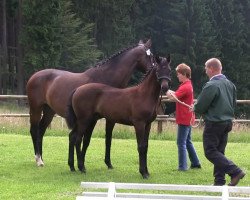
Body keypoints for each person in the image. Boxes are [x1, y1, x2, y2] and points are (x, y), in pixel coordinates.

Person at [193, 58, 245, 186]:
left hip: (214, 123)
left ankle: (235, 171)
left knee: (210, 151)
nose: (205, 71)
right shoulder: (230, 84)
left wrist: (195, 107)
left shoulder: (211, 85)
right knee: (219, 152)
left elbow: (200, 106)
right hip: (227, 123)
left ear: (211, 69)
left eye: (206, 68)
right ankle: (219, 181)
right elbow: (233, 104)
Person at [166, 63, 201, 171]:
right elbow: (176, 94)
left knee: (181, 142)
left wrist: (165, 89)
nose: (177, 76)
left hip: (184, 118)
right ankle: (195, 163)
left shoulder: (185, 87)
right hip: (188, 117)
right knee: (188, 141)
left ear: (185, 74)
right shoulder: (187, 85)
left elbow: (173, 98)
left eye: (179, 74)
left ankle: (183, 167)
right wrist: (171, 92)